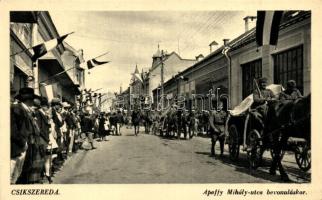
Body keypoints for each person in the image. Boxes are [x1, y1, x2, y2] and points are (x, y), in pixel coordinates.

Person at [10, 87, 37, 184]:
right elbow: (13, 130)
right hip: (17, 147)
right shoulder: (16, 109)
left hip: (23, 145)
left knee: (19, 172)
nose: (34, 101)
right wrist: (23, 142)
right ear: (28, 100)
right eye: (32, 99)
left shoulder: (25, 110)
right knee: (13, 174)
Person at [33, 96, 52, 183]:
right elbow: (39, 129)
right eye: (46, 106)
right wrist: (46, 139)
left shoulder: (43, 114)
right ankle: (39, 177)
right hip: (42, 139)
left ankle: (45, 175)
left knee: (45, 157)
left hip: (45, 139)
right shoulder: (38, 113)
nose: (47, 108)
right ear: (43, 106)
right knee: (40, 158)